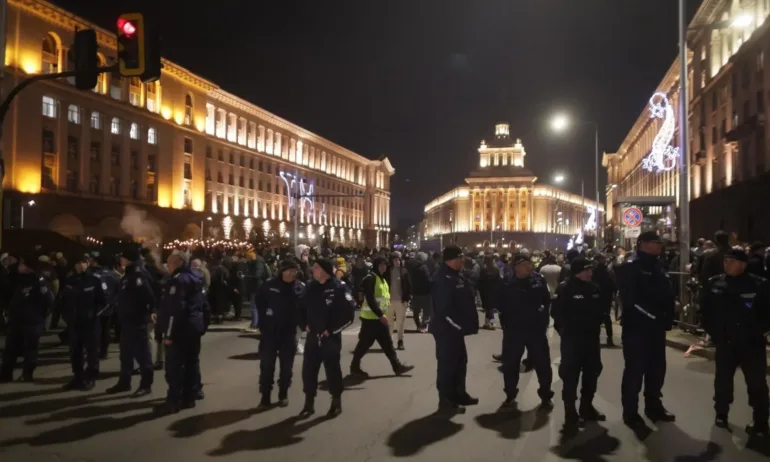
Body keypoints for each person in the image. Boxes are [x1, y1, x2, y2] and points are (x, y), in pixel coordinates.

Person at [700, 248, 770, 436]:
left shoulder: (759, 285)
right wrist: (714, 333)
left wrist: (758, 332)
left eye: (731, 261)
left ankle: (760, 421)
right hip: (726, 342)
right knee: (723, 380)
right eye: (725, 261)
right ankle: (721, 414)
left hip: (752, 343)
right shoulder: (715, 283)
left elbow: (766, 313)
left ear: (743, 264)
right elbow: (704, 311)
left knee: (757, 383)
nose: (727, 264)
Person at [615, 231, 676, 427]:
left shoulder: (658, 265)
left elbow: (665, 293)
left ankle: (654, 406)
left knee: (657, 370)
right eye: (655, 242)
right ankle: (630, 411)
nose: (659, 246)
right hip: (637, 328)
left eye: (659, 242)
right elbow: (631, 300)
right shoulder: (630, 267)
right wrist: (654, 316)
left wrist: (669, 313)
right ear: (642, 244)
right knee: (635, 371)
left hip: (656, 329)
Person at [298, 258, 355, 418]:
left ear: (324, 270)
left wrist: (331, 331)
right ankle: (309, 403)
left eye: (316, 267)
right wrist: (304, 325)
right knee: (308, 371)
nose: (312, 270)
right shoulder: (310, 287)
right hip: (312, 337)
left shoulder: (339, 287)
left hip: (330, 338)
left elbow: (349, 315)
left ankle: (336, 402)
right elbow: (300, 307)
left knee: (332, 370)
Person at [552, 257, 605, 429]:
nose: (590, 273)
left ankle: (586, 407)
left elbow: (600, 311)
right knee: (570, 376)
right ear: (577, 271)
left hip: (591, 341)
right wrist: (567, 333)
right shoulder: (565, 288)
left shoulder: (594, 288)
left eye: (591, 269)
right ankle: (570, 412)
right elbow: (557, 315)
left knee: (592, 374)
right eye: (586, 270)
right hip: (573, 342)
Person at [498, 253, 554, 410]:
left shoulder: (538, 280)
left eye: (529, 263)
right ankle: (510, 394)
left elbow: (546, 300)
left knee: (543, 364)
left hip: (535, 330)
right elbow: (500, 304)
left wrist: (543, 319)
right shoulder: (507, 282)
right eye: (525, 264)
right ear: (516, 266)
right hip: (514, 331)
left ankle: (545, 395)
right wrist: (507, 324)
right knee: (510, 365)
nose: (529, 266)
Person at [154, 252, 206, 415]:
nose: (167, 266)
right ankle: (189, 397)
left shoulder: (178, 281)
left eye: (169, 262)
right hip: (193, 327)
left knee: (175, 367)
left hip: (180, 329)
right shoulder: (196, 277)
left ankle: (173, 401)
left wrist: (169, 335)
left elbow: (175, 310)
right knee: (191, 363)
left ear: (177, 262)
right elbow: (204, 305)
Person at [431, 245, 479, 415]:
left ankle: (459, 394)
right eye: (460, 258)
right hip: (447, 330)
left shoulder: (455, 275)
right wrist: (458, 327)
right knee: (447, 366)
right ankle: (445, 400)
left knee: (460, 363)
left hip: (455, 330)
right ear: (452, 259)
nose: (463, 260)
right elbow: (443, 310)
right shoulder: (442, 278)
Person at [350, 256, 414, 379]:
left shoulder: (382, 280)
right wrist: (380, 315)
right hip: (371, 319)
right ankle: (355, 367)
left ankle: (397, 367)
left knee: (387, 345)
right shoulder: (371, 278)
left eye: (385, 265)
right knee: (364, 345)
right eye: (381, 265)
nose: (384, 267)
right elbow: (370, 298)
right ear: (376, 266)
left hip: (379, 319)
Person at [106, 247, 157, 397]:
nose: (120, 259)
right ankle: (124, 382)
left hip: (137, 321)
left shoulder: (138, 275)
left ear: (128, 259)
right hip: (127, 321)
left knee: (142, 355)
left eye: (122, 257)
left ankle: (146, 385)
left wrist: (149, 313)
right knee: (126, 355)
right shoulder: (129, 274)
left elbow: (149, 297)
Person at [256, 259, 305, 409]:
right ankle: (265, 397)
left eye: (294, 271)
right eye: (289, 270)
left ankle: (283, 394)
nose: (292, 273)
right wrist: (263, 323)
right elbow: (260, 302)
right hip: (270, 332)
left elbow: (304, 308)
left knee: (286, 367)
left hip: (288, 333)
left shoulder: (299, 288)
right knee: (267, 366)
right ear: (282, 271)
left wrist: (302, 325)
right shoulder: (269, 285)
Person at [0, 256, 54, 382]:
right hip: (16, 320)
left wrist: (40, 316)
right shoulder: (15, 279)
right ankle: (6, 374)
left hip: (32, 321)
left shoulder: (38, 280)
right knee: (10, 350)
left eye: (22, 264)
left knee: (30, 350)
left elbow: (48, 301)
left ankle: (27, 374)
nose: (20, 266)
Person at [61, 256, 106, 391]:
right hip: (74, 324)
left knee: (92, 352)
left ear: (87, 264)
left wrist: (94, 315)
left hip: (90, 324)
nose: (80, 265)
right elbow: (62, 301)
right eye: (78, 262)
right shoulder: (69, 281)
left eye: (83, 262)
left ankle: (90, 378)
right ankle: (78, 377)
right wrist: (67, 317)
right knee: (75, 352)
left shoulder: (94, 280)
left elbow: (103, 302)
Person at [591, 253, 617, 347]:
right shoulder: (608, 271)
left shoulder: (594, 270)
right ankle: (609, 339)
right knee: (606, 318)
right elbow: (612, 283)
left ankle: (595, 339)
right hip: (606, 297)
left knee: (596, 319)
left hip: (596, 297)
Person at [387, 254, 411, 350]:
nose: (397, 261)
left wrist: (406, 299)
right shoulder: (387, 272)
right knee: (390, 323)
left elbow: (408, 286)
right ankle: (389, 342)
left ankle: (400, 341)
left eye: (398, 260)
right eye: (395, 260)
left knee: (400, 323)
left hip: (401, 301)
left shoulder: (404, 272)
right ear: (391, 261)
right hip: (389, 301)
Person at [406, 252, 432, 332]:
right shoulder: (424, 267)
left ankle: (418, 325)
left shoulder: (410, 267)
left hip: (415, 292)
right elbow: (428, 279)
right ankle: (424, 325)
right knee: (427, 311)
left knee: (416, 311)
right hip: (425, 292)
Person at [478, 255, 502, 330]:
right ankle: (487, 323)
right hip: (494, 291)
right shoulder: (496, 270)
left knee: (488, 308)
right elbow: (499, 281)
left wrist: (480, 290)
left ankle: (492, 322)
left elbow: (480, 282)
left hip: (485, 292)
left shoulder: (483, 270)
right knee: (490, 308)